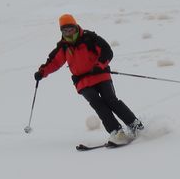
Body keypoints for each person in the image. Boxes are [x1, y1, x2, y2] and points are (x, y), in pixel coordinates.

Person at [35, 14, 144, 144]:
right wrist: (42, 72)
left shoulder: (90, 38)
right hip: (82, 82)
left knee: (111, 100)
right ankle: (117, 132)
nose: (68, 33)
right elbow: (53, 62)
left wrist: (100, 65)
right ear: (61, 32)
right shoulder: (63, 46)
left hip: (100, 75)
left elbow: (107, 51)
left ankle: (135, 126)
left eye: (71, 29)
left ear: (76, 27)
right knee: (98, 104)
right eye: (65, 31)